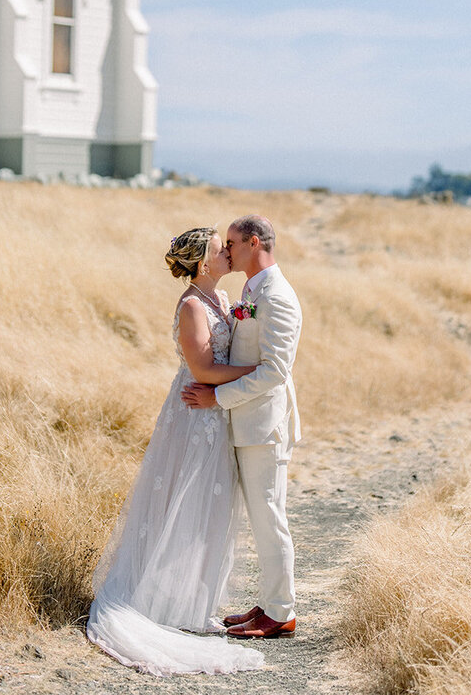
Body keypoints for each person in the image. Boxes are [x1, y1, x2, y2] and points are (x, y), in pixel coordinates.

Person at [86, 226, 265, 676]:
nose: (228, 253)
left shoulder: (222, 302)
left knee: (213, 504)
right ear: (204, 263)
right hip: (193, 416)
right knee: (183, 501)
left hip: (216, 413)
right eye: (219, 250)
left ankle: (191, 601)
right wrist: (258, 371)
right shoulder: (191, 306)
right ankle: (158, 600)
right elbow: (202, 367)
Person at [182, 214, 302, 639]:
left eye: (231, 243)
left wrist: (218, 398)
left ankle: (281, 612)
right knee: (260, 514)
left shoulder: (278, 296)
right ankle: (270, 602)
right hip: (243, 423)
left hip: (262, 427)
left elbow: (273, 371)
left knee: (269, 515)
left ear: (253, 243)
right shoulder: (252, 290)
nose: (226, 251)